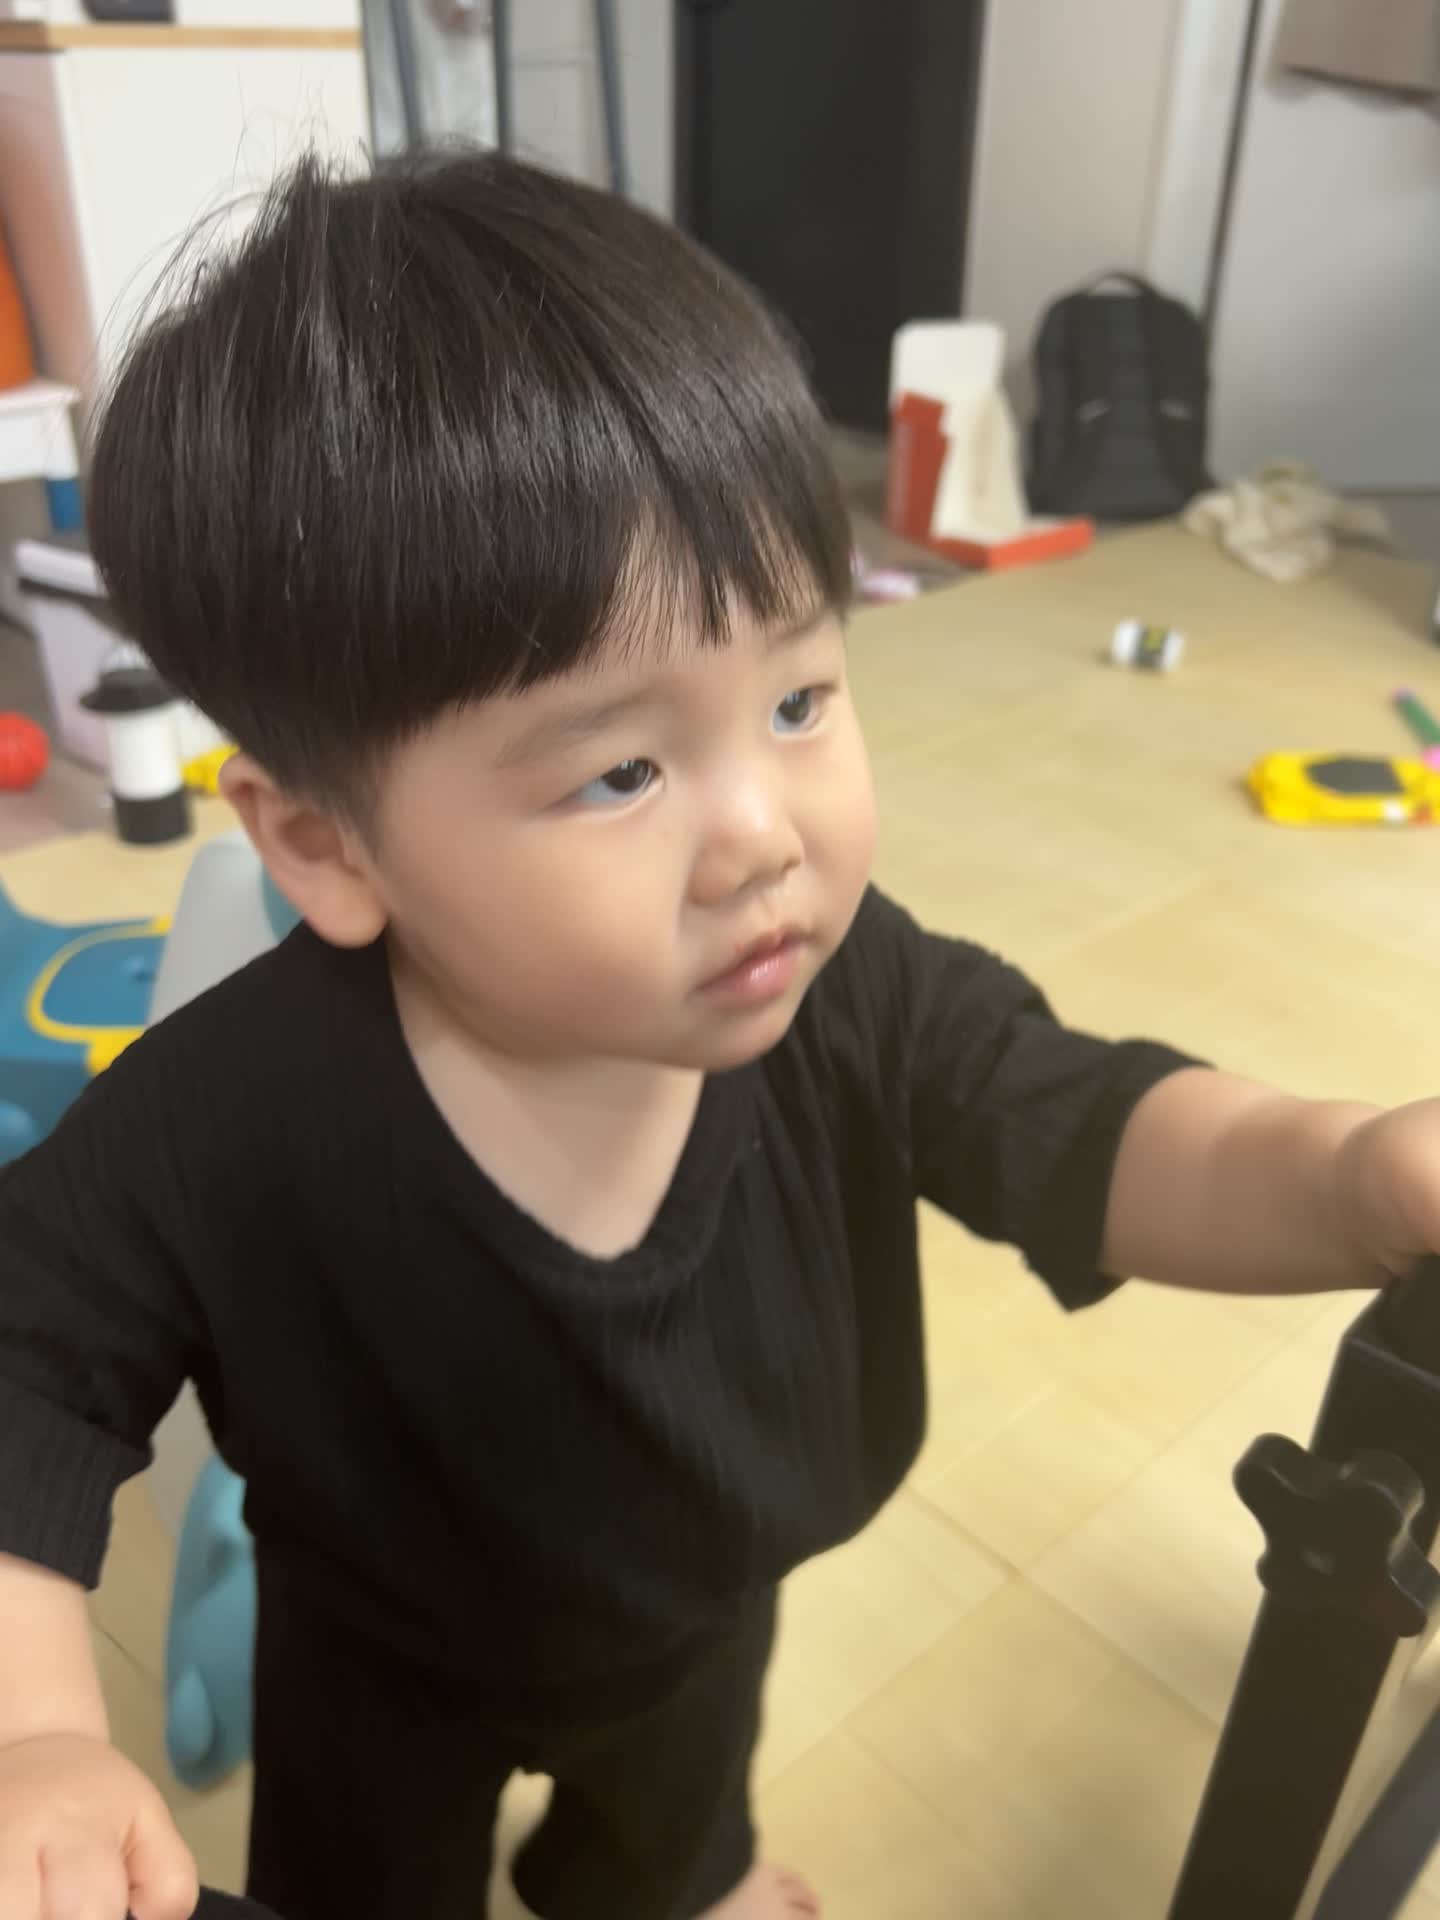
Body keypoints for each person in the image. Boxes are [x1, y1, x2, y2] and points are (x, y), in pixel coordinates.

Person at [1, 149, 1438, 1920]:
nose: (766, 835)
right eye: (623, 770)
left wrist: (1349, 1172)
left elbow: (1092, 1127)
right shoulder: (226, 1119)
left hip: (696, 1619)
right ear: (326, 844)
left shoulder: (855, 991)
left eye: (800, 696)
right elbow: (20, 1356)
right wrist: (32, 1736)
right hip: (378, 1659)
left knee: (663, 1846)